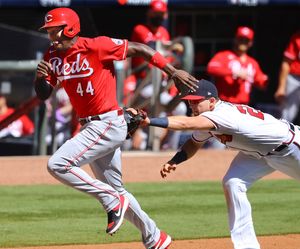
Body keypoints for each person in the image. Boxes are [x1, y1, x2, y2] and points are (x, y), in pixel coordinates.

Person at [35, 7, 197, 249]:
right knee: (117, 188)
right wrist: (40, 78)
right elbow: (43, 94)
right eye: (48, 31)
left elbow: (140, 48)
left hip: (107, 122)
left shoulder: (96, 46)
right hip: (91, 126)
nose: (50, 36)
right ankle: (156, 238)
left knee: (58, 164)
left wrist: (172, 72)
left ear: (69, 28)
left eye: (53, 30)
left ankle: (111, 200)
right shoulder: (52, 56)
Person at [142, 79, 300, 249]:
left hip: (290, 147)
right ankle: (246, 246)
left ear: (211, 101)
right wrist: (175, 160)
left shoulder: (222, 115)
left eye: (196, 101)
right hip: (259, 154)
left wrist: (149, 121)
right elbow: (194, 143)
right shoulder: (208, 117)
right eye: (190, 102)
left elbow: (185, 123)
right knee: (233, 182)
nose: (192, 106)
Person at [129, 0, 186, 150]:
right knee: (138, 141)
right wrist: (173, 45)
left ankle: (167, 147)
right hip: (142, 83)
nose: (158, 17)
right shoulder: (140, 29)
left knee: (179, 109)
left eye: (160, 14)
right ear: (149, 13)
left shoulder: (163, 31)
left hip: (160, 84)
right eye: (155, 14)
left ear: (165, 15)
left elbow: (169, 56)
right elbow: (152, 47)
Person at [207, 26, 268, 105]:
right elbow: (211, 68)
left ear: (250, 43)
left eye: (246, 40)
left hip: (244, 106)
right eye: (241, 39)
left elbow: (261, 82)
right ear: (235, 39)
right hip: (224, 103)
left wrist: (264, 81)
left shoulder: (253, 63)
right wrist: (234, 72)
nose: (243, 42)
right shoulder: (223, 56)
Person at [274, 30, 300, 123]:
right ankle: (283, 136)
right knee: (287, 115)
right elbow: (286, 63)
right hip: (295, 78)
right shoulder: (297, 37)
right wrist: (281, 88)